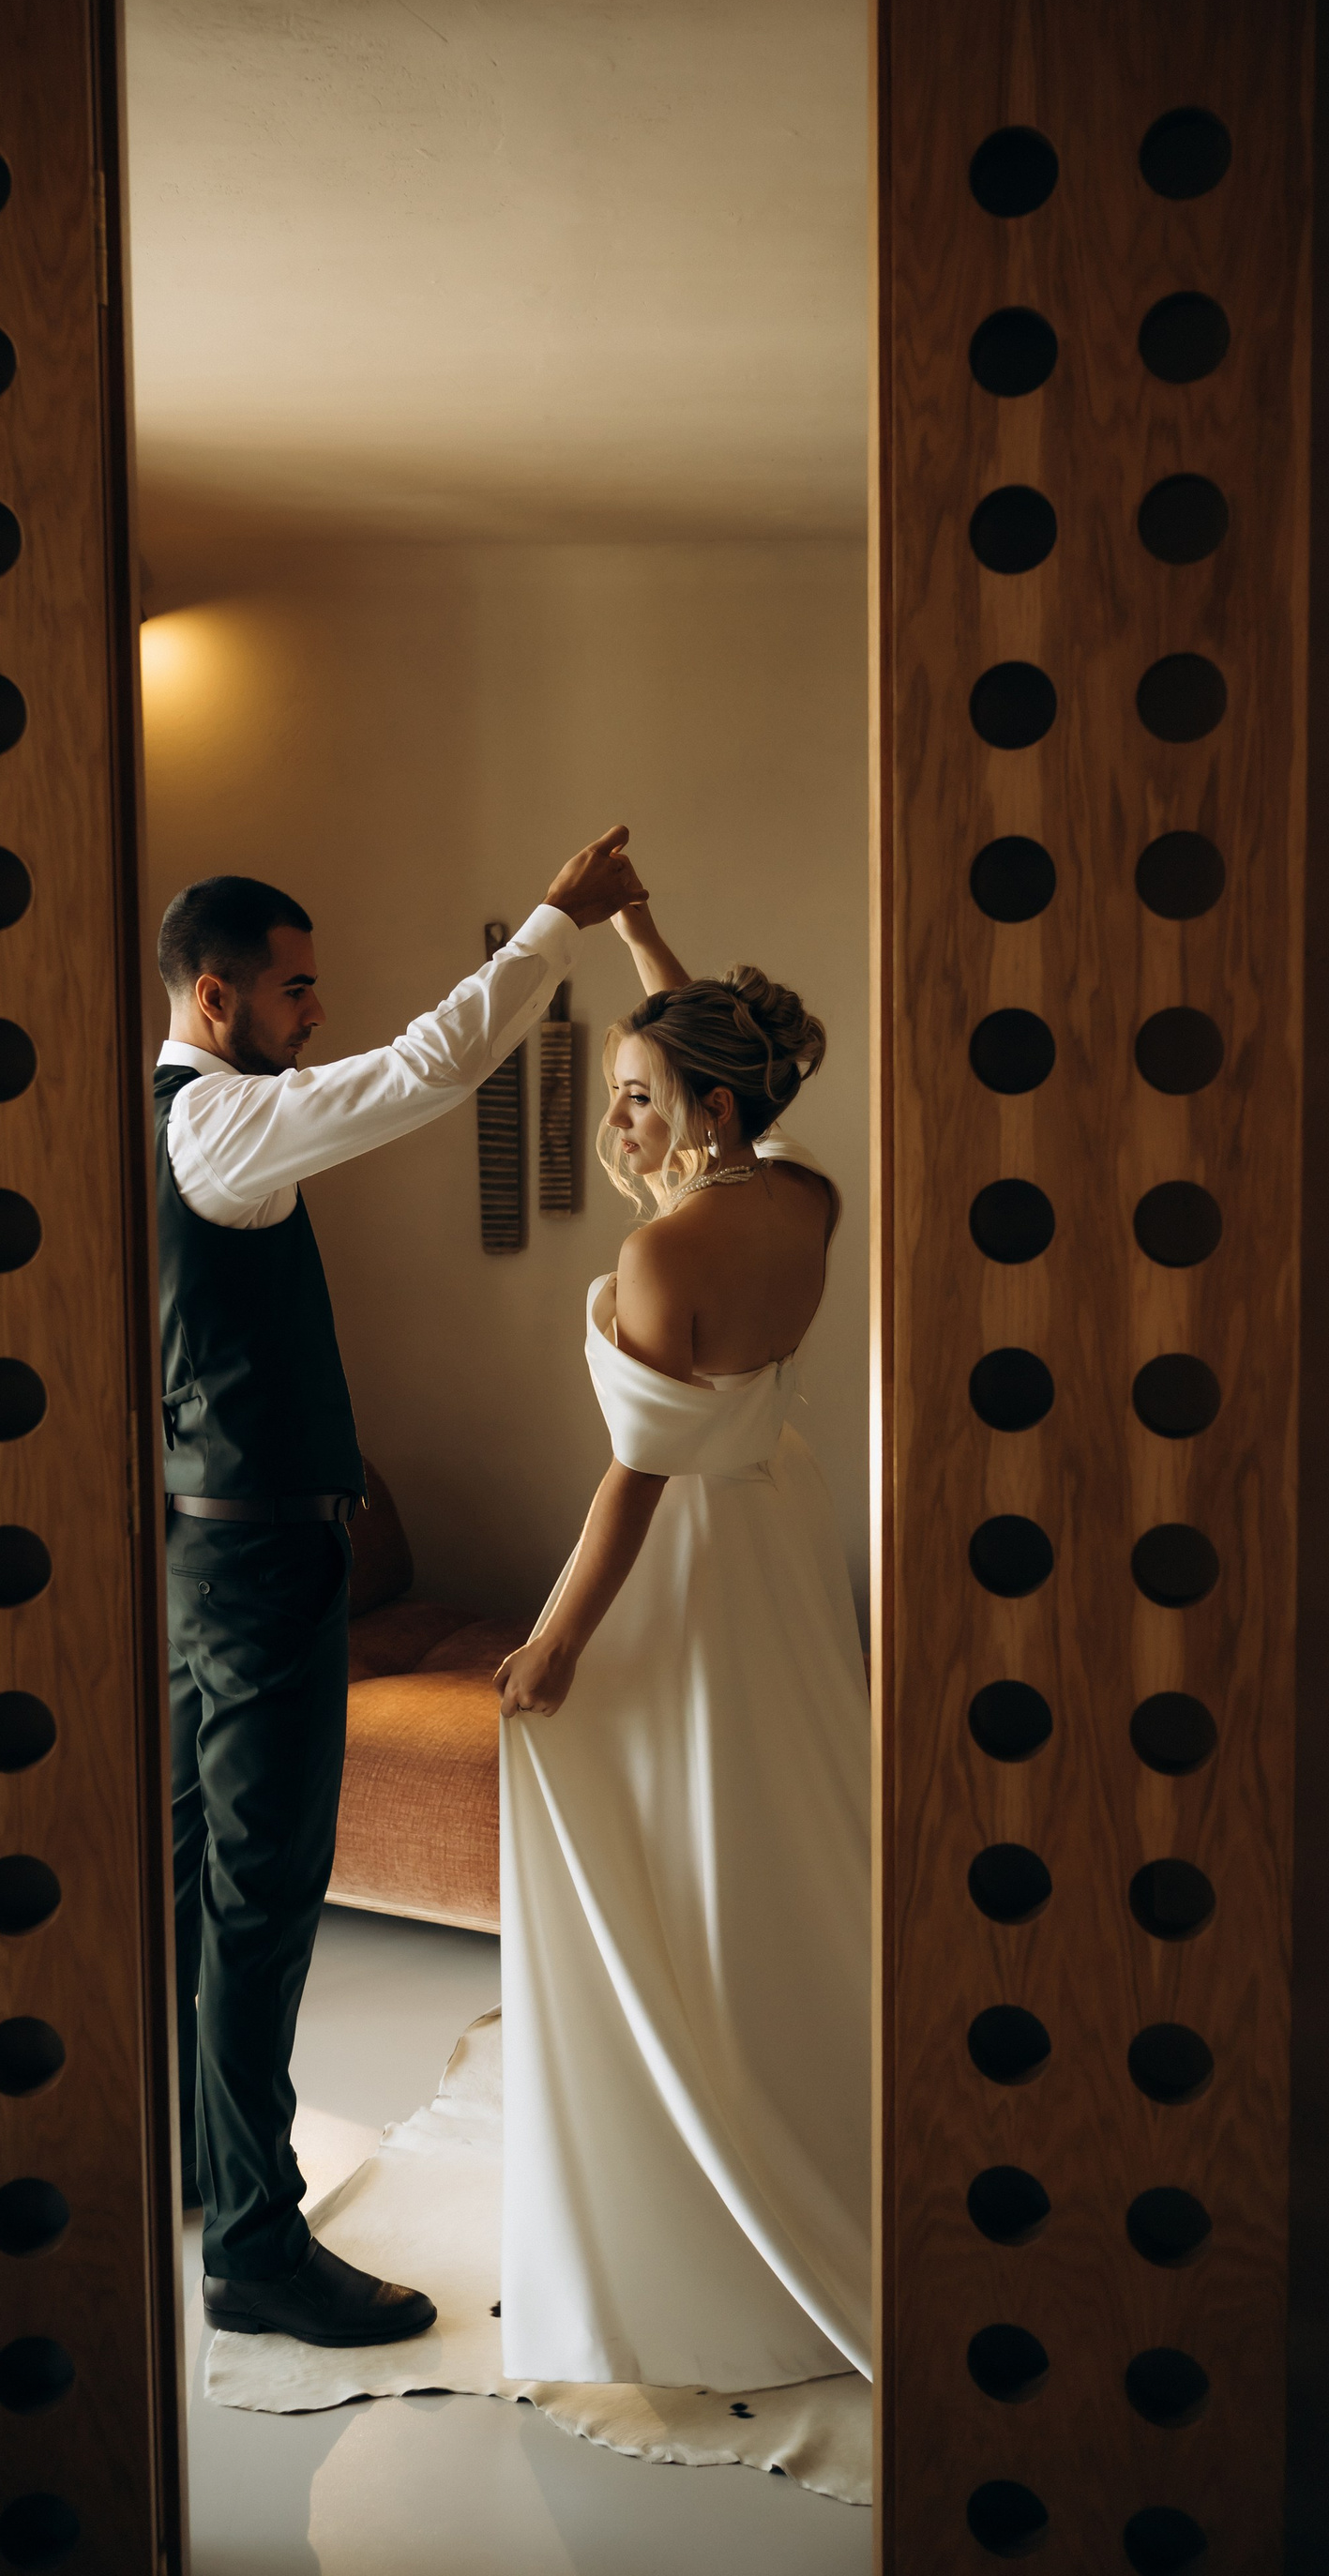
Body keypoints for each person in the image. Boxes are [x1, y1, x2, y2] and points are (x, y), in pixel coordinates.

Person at [157, 826, 646, 2349]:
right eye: (295, 990)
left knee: (190, 1883)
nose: (317, 1012)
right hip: (255, 1562)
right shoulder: (220, 1126)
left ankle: (197, 2172)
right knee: (261, 1899)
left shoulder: (164, 1121)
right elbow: (428, 1070)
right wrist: (556, 923)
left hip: (198, 1550)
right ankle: (255, 2248)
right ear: (218, 997)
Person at [494, 895, 872, 2389]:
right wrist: (642, 937)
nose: (622, 1122)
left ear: (713, 1106)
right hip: (783, 1532)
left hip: (692, 1557)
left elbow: (635, 1485)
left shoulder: (666, 1258)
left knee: (677, 1821)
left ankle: (696, 2116)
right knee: (778, 1807)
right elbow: (728, 1068)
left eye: (642, 1097)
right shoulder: (807, 1195)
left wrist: (556, 1646)